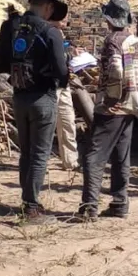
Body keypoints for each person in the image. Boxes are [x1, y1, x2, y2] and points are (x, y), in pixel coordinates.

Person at [0, 0, 69, 222]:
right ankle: (32, 209)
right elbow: (61, 70)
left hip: (19, 96)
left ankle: (28, 201)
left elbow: (0, 65)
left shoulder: (10, 26)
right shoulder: (50, 31)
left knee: (26, 152)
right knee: (40, 154)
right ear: (48, 7)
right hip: (43, 98)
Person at [80, 0, 138, 220]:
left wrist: (111, 97)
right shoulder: (137, 42)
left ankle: (89, 206)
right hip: (130, 106)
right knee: (121, 156)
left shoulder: (112, 41)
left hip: (112, 107)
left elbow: (115, 70)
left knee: (93, 156)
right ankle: (120, 203)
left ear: (108, 19)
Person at [51, 16, 80, 174]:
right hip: (50, 86)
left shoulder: (60, 35)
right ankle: (35, 162)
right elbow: (56, 59)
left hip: (64, 84)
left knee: (68, 120)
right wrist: (70, 55)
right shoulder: (46, 33)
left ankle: (70, 161)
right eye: (63, 18)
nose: (66, 22)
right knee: (47, 124)